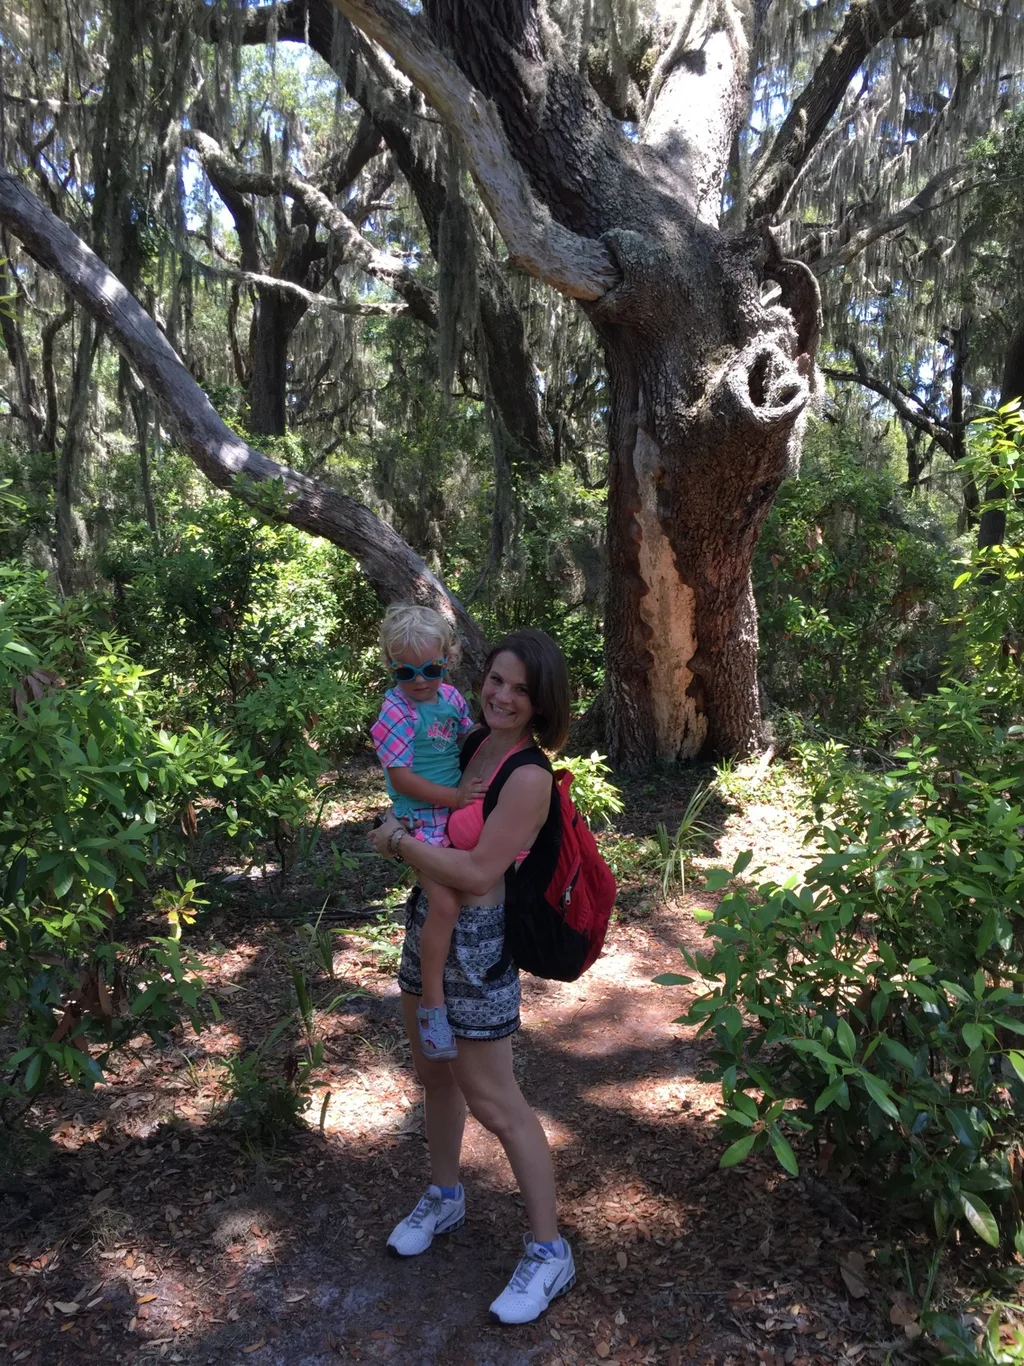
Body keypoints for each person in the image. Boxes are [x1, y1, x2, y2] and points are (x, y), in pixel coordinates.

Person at [368, 628, 576, 1326]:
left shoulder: (527, 775)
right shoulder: (467, 741)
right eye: (496, 679)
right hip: (428, 919)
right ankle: (445, 1195)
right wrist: (412, 842)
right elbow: (426, 806)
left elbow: (479, 870)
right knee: (433, 1071)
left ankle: (549, 1252)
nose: (503, 695)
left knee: (496, 1099)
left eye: (520, 688)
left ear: (542, 701)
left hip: (478, 947)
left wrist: (394, 841)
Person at [370, 604, 486, 1062]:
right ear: (389, 666)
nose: (420, 680)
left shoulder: (450, 698)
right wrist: (454, 797)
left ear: (448, 660)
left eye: (431, 668)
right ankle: (433, 1007)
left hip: (453, 808)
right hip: (420, 815)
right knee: (444, 902)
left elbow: (468, 735)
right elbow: (400, 778)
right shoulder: (396, 712)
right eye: (407, 671)